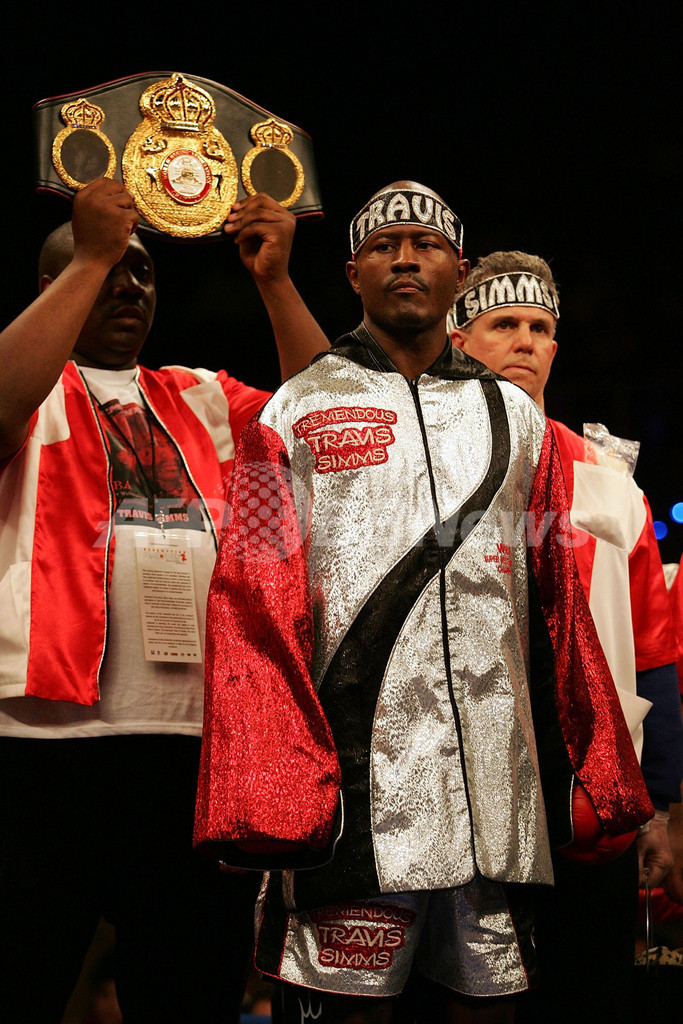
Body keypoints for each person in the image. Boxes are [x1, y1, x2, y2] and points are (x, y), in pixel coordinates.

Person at [193, 182, 653, 1024]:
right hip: (352, 795)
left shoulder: (516, 418)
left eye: (426, 244)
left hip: (496, 802)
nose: (405, 259)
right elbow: (248, 601)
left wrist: (592, 768)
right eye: (384, 246)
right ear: (353, 273)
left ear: (458, 271)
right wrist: (268, 782)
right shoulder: (290, 409)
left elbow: (558, 611)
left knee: (489, 1014)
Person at [0, 177, 329, 1024]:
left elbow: (327, 429)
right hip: (39, 741)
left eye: (142, 271)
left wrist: (274, 282)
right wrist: (93, 253)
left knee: (189, 997)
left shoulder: (200, 394)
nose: (129, 284)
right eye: (109, 268)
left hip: (192, 749)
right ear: (52, 284)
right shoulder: (33, 386)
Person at [448, 251, 683, 1022]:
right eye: (502, 324)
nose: (524, 340)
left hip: (588, 793)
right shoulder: (422, 469)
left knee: (587, 997)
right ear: (458, 339)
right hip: (455, 788)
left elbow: (652, 648)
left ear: (554, 346)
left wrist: (660, 807)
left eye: (538, 327)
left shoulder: (608, 479)